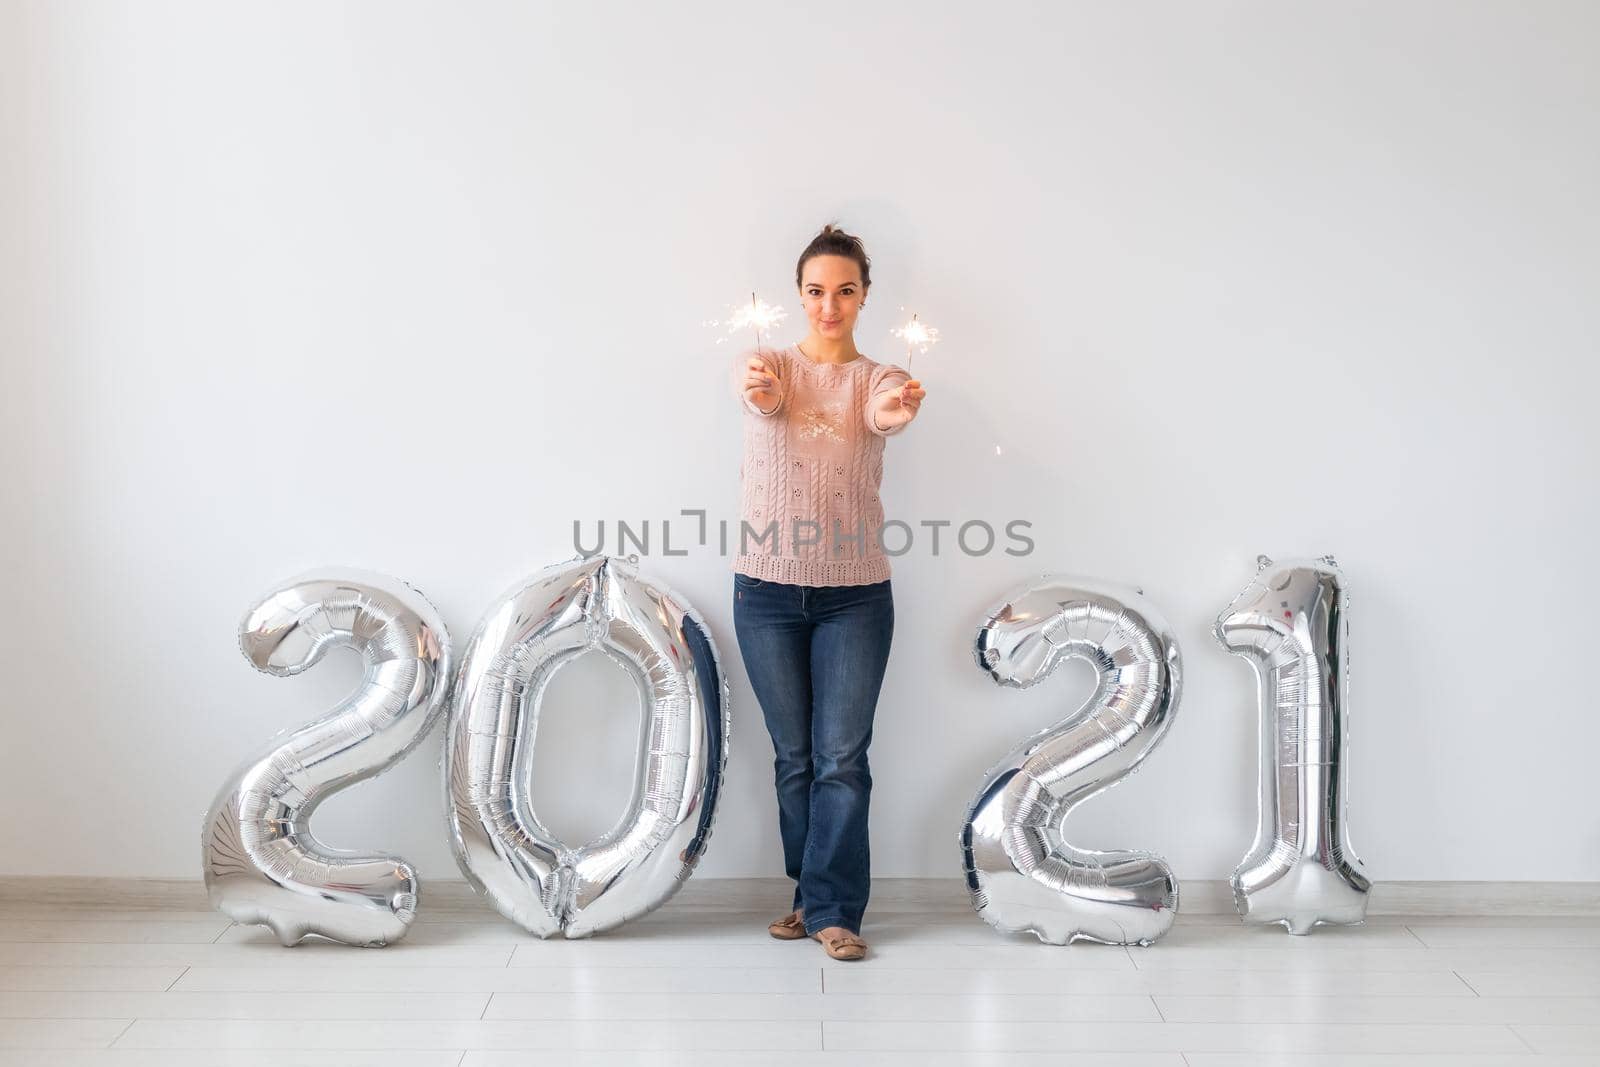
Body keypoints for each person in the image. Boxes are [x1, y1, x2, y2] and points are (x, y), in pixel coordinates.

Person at [728, 223, 927, 961]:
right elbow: (757, 397)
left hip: (854, 596)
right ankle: (808, 894)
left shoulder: (877, 378)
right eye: (816, 291)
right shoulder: (766, 365)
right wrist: (763, 392)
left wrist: (895, 413)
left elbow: (884, 414)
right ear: (799, 295)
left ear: (865, 295)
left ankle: (834, 909)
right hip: (767, 593)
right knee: (794, 757)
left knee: (842, 754)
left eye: (845, 291)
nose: (829, 304)